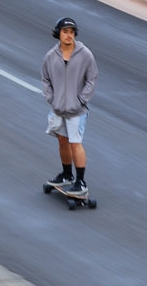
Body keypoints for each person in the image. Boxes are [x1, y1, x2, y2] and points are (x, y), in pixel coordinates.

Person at [41, 17, 98, 195]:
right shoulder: (51, 56)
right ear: (58, 33)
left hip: (77, 110)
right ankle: (66, 175)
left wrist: (81, 100)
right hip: (58, 108)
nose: (68, 35)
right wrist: (51, 99)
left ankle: (80, 181)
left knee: (75, 143)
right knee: (62, 141)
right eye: (65, 31)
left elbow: (92, 78)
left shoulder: (85, 54)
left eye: (72, 32)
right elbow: (45, 79)